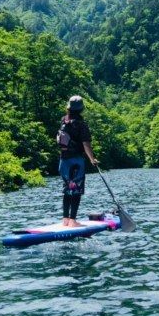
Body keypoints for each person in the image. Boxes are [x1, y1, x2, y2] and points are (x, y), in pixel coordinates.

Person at [57, 95, 99, 227]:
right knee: (76, 190)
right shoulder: (81, 124)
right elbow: (86, 144)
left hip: (63, 162)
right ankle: (73, 221)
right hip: (76, 162)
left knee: (67, 189)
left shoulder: (63, 120)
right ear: (81, 109)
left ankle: (65, 219)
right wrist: (92, 159)